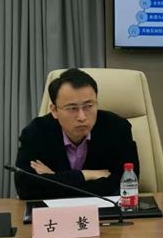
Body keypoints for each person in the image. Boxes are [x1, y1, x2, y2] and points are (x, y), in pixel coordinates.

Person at [14, 68, 140, 200]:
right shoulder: (36, 132)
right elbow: (25, 188)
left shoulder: (117, 128)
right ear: (55, 110)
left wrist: (54, 178)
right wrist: (85, 175)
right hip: (53, 211)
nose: (82, 117)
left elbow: (125, 184)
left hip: (104, 210)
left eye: (88, 106)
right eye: (72, 108)